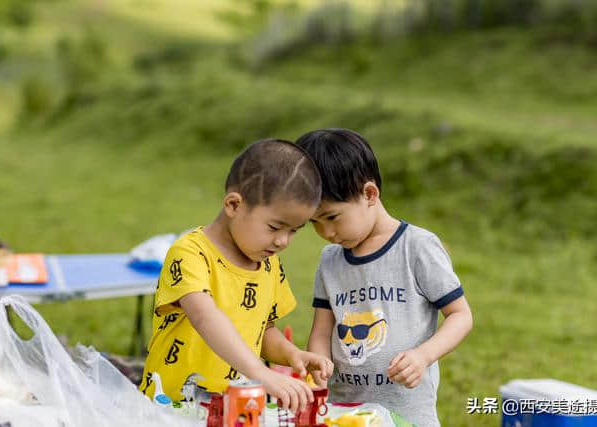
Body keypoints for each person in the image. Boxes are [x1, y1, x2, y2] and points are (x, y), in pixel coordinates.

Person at [139, 139, 334, 414]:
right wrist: (260, 373)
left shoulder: (269, 265)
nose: (282, 241)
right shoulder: (190, 254)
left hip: (236, 411)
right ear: (233, 205)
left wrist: (292, 354)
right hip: (169, 409)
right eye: (275, 226)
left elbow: (263, 331)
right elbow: (205, 317)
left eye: (293, 231)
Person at [297, 129, 473, 426]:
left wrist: (423, 356)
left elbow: (461, 316)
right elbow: (322, 331)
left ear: (369, 194)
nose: (325, 233)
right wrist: (317, 364)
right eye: (314, 222)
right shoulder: (330, 260)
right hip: (346, 414)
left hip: (408, 415)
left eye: (332, 217)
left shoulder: (416, 247)